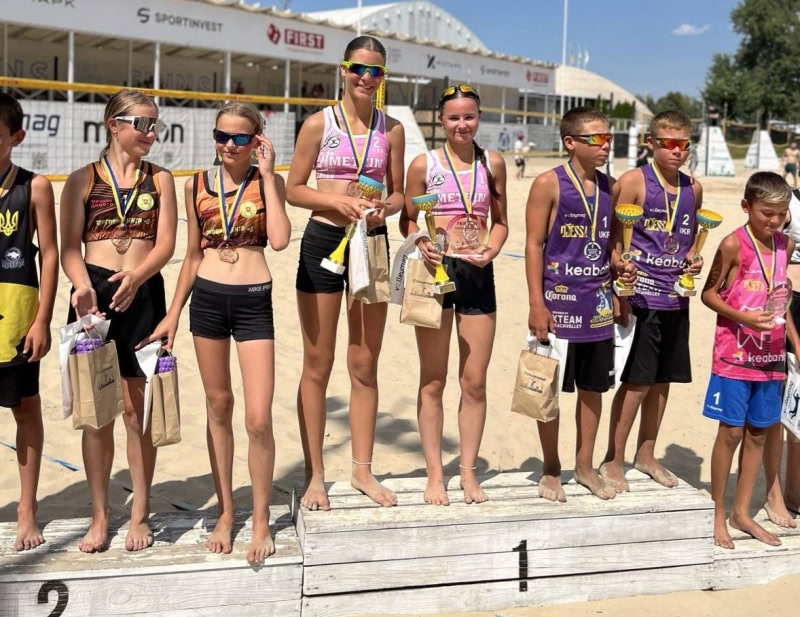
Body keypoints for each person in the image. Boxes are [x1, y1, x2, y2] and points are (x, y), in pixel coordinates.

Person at [144, 102, 289, 563]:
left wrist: (269, 175)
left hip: (253, 299)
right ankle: (226, 511)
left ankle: (260, 518)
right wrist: (173, 314)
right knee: (219, 406)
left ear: (257, 140)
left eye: (240, 138)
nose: (229, 145)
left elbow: (280, 240)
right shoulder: (197, 184)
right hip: (207, 300)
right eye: (221, 136)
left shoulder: (269, 183)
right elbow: (191, 255)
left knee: (258, 418)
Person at [286, 35, 406, 511]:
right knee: (318, 364)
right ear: (343, 69)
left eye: (375, 71)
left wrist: (384, 209)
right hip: (323, 240)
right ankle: (315, 475)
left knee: (364, 363)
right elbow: (294, 188)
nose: (365, 78)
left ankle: (362, 470)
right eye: (358, 68)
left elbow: (397, 194)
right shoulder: (319, 123)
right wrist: (336, 201)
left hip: (370, 241)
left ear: (382, 77)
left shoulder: (391, 129)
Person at [60, 90, 178, 552]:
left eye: (155, 124)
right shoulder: (82, 179)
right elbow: (69, 247)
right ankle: (100, 516)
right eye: (142, 124)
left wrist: (137, 276)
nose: (151, 133)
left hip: (143, 292)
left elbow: (166, 245)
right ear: (114, 125)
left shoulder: (160, 179)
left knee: (137, 411)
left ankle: (140, 513)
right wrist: (81, 285)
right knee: (97, 414)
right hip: (94, 295)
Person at [401, 84, 509, 505]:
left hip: (477, 272)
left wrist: (492, 249)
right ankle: (434, 475)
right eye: (453, 118)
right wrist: (420, 240)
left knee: (474, 381)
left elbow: (501, 222)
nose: (462, 125)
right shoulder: (423, 164)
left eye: (469, 116)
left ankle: (467, 472)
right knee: (433, 379)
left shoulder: (492, 163)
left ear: (478, 117)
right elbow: (408, 220)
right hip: (433, 271)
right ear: (440, 120)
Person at [525, 107, 635, 501]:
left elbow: (612, 244)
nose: (606, 145)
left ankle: (585, 465)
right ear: (570, 142)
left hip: (598, 304)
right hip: (557, 304)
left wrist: (620, 269)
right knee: (547, 390)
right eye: (597, 139)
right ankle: (551, 467)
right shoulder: (548, 183)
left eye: (609, 138)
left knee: (593, 390)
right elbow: (533, 244)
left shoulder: (611, 187)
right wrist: (536, 303)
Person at [600, 111, 704, 492]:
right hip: (641, 296)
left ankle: (646, 454)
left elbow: (689, 239)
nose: (677, 152)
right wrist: (618, 282)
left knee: (663, 382)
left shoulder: (694, 188)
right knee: (636, 382)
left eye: (684, 145)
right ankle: (613, 458)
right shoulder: (633, 181)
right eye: (669, 144)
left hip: (676, 297)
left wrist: (694, 258)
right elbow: (611, 238)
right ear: (651, 143)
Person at [701, 171, 799, 549]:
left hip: (771, 356)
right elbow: (709, 295)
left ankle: (742, 513)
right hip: (734, 355)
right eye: (767, 213)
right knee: (730, 433)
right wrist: (744, 317)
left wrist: (795, 340)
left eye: (782, 214)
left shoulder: (785, 245)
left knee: (759, 433)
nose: (774, 221)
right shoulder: (732, 244)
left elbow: (780, 296)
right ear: (746, 206)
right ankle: (718, 514)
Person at [0, 93, 58, 551]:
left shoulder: (34, 186)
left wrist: (42, 320)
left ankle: (27, 508)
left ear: (16, 137)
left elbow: (51, 255)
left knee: (26, 411)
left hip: (16, 318)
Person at [761, 184, 800, 528]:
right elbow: (773, 271)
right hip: (792, 306)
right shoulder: (789, 205)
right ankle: (776, 492)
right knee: (781, 405)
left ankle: (794, 491)